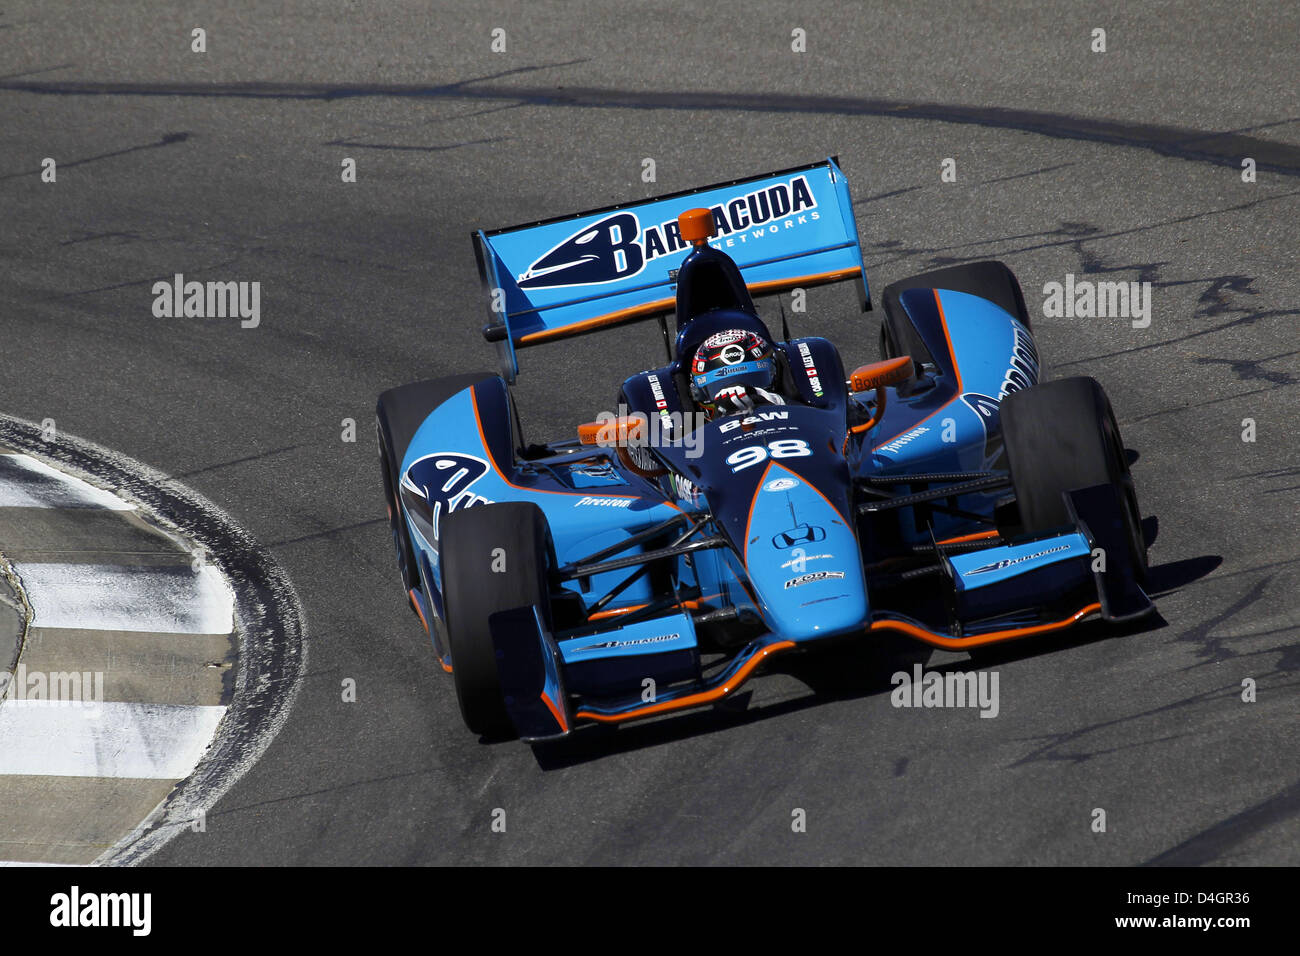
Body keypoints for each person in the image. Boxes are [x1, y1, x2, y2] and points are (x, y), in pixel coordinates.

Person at [688, 329, 785, 420]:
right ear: (698, 393)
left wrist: (758, 396)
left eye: (752, 380)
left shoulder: (790, 404)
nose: (736, 395)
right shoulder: (695, 433)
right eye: (719, 386)